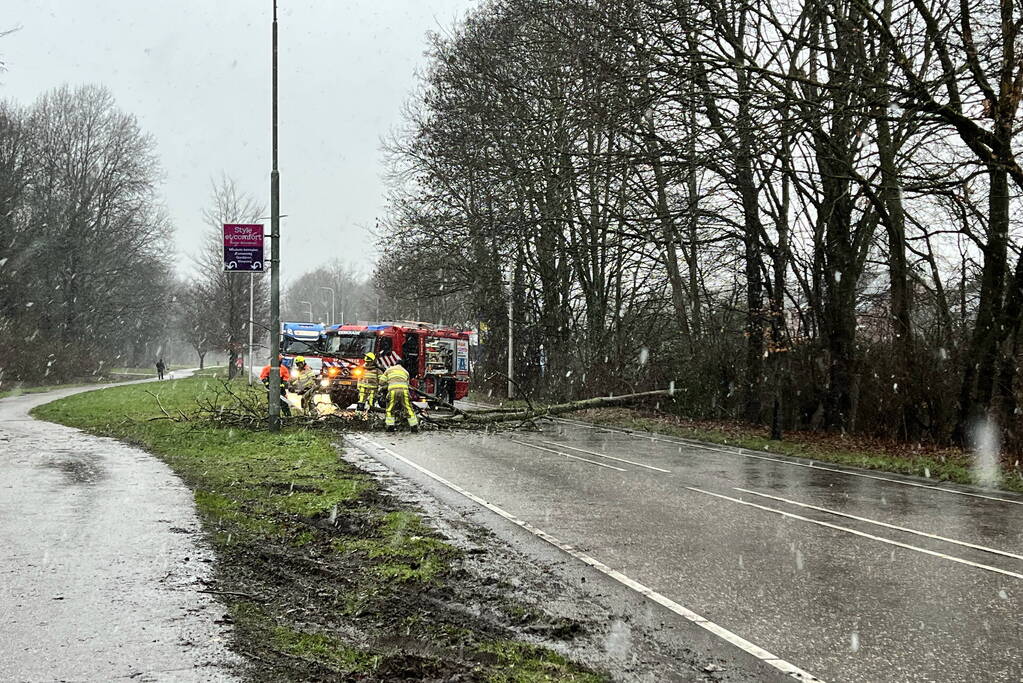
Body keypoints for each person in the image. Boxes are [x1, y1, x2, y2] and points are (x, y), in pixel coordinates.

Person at [378, 356, 419, 432]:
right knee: (408, 408)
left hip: (393, 391)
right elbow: (407, 384)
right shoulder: (406, 372)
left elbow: (381, 382)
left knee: (390, 408)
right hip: (404, 391)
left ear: (395, 364)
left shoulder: (389, 370)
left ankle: (390, 426)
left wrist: (388, 382)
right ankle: (414, 426)